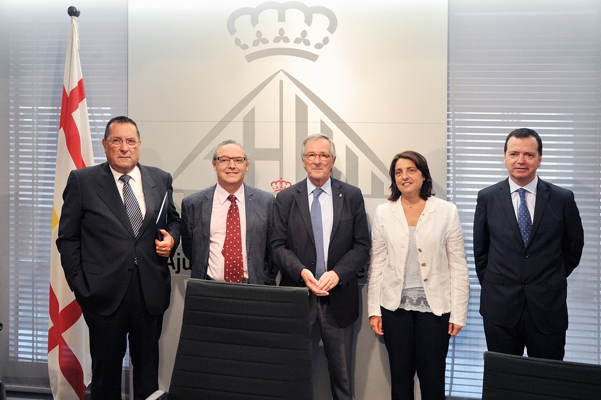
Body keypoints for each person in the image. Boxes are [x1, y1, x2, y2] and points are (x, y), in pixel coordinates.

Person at [56, 116, 181, 400]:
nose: (124, 147)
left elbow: (173, 220)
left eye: (130, 141)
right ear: (104, 144)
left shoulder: (161, 179)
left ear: (139, 144)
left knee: (148, 373)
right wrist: (81, 286)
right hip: (103, 295)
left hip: (149, 292)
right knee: (105, 376)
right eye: (116, 140)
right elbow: (68, 238)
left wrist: (172, 238)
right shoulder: (83, 181)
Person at [270, 133, 371, 400]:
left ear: (333, 160)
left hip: (339, 299)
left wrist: (338, 274)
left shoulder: (351, 196)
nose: (317, 160)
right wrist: (302, 272)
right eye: (311, 155)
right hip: (297, 296)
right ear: (303, 160)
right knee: (292, 374)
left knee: (342, 378)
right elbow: (277, 246)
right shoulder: (286, 198)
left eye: (323, 155)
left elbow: (362, 246)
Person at [474, 128, 584, 360]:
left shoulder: (562, 199)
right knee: (503, 378)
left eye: (529, 154)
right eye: (514, 154)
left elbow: (573, 249)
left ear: (539, 159)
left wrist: (549, 279)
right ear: (505, 157)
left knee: (546, 378)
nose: (521, 160)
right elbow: (481, 252)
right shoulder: (487, 197)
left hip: (547, 307)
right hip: (500, 308)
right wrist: (497, 285)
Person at [367, 151, 470, 400]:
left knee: (432, 380)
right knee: (400, 380)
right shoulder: (384, 212)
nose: (405, 176)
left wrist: (458, 313)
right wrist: (374, 310)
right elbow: (377, 264)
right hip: (394, 309)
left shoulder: (446, 211)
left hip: (435, 310)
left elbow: (458, 265)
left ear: (424, 175)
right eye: (398, 172)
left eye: (411, 170)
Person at [180, 139, 275, 284]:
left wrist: (265, 277)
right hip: (209, 287)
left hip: (255, 288)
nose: (231, 166)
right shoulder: (193, 204)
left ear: (246, 166)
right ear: (214, 165)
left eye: (238, 160)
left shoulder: (266, 202)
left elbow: (273, 248)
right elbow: (190, 249)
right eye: (224, 160)